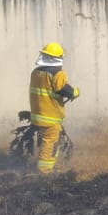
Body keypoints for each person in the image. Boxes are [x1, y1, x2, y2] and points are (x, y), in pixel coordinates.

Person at [28, 41, 79, 173]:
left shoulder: (36, 72)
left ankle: (47, 165)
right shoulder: (57, 73)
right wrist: (74, 92)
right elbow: (62, 88)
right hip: (50, 116)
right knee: (50, 142)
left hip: (38, 114)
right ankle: (44, 171)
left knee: (47, 139)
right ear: (57, 58)